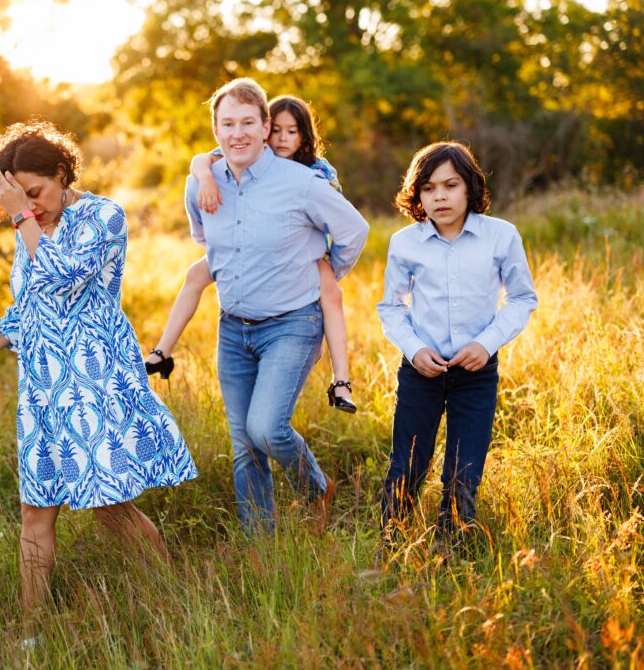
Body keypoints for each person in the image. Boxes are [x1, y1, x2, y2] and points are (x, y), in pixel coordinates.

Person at [0, 120, 197, 634]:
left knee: (109, 507)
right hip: (42, 388)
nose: (30, 205)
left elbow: (62, 276)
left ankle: (177, 599)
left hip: (94, 381)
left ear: (63, 173)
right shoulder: (29, 227)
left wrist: (22, 218)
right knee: (35, 511)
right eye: (17, 198)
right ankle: (31, 633)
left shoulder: (102, 217)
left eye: (37, 192)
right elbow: (29, 303)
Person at [184, 78, 369, 532]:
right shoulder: (201, 184)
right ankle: (260, 545)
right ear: (216, 128)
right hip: (233, 327)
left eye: (248, 122)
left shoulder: (302, 182)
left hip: (293, 322)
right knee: (243, 442)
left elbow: (354, 231)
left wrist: (322, 269)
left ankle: (316, 488)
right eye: (227, 124)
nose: (238, 133)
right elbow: (206, 242)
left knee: (266, 428)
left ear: (266, 127)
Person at [146, 95, 357, 414]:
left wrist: (326, 266)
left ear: (304, 136)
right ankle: (162, 350)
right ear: (266, 130)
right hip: (248, 251)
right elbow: (202, 159)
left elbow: (342, 219)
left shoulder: (314, 170)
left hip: (303, 253)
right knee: (194, 275)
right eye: (278, 131)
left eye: (293, 132)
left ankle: (341, 379)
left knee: (330, 293)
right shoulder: (244, 157)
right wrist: (204, 177)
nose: (283, 139)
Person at [376, 141, 538, 551]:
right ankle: (390, 545)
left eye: (450, 185)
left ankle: (450, 551)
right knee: (408, 464)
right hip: (421, 372)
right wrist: (414, 350)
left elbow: (522, 298)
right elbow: (391, 307)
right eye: (428, 188)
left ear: (469, 187)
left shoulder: (501, 236)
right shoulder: (405, 243)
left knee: (464, 469)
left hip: (475, 374)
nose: (440, 196)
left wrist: (486, 344)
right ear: (418, 195)